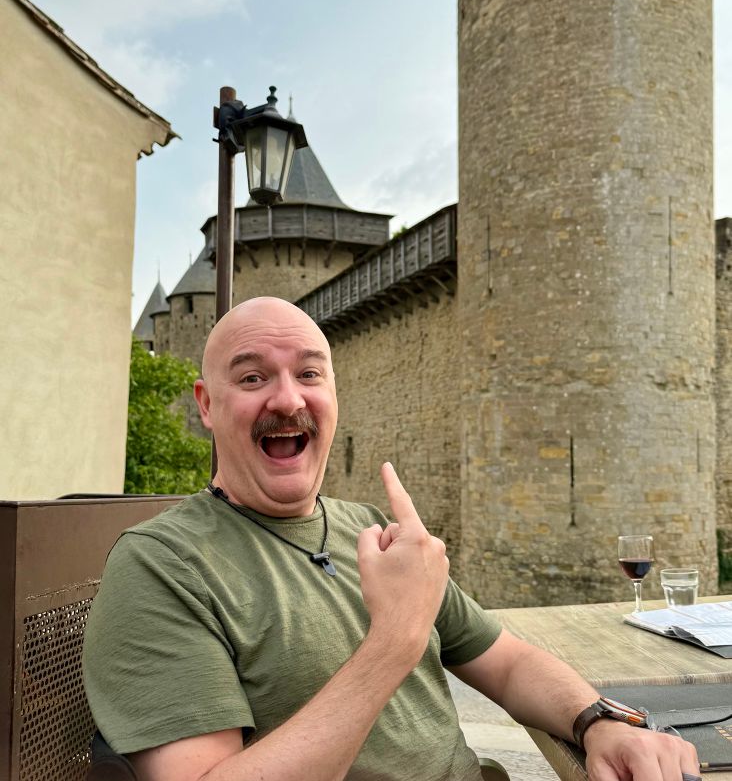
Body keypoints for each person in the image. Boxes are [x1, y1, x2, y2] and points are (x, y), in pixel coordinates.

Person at [83, 296, 701, 781]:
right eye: (251, 378)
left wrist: (599, 723)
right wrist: (396, 639)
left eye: (309, 373)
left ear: (333, 394)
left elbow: (508, 662)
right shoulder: (162, 566)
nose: (288, 397)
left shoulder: (371, 530)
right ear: (206, 405)